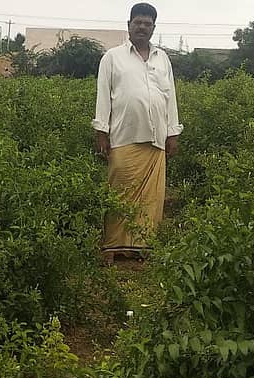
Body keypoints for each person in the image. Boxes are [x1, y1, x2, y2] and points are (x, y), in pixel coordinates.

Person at [92, 2, 183, 265]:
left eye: (147, 23)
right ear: (129, 25)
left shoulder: (162, 58)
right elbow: (103, 96)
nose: (142, 27)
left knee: (151, 198)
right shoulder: (112, 57)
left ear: (153, 27)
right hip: (123, 136)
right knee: (119, 192)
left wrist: (172, 133)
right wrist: (101, 131)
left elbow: (170, 98)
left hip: (156, 140)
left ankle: (143, 246)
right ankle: (112, 246)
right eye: (138, 22)